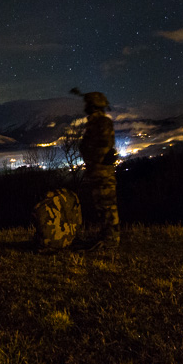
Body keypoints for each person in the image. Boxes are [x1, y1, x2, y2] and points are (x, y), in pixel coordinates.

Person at [78, 91, 120, 250]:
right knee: (102, 206)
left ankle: (110, 241)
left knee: (107, 205)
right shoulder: (95, 123)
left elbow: (103, 146)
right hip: (97, 171)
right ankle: (106, 237)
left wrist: (91, 155)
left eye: (89, 104)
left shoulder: (102, 122)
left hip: (102, 172)